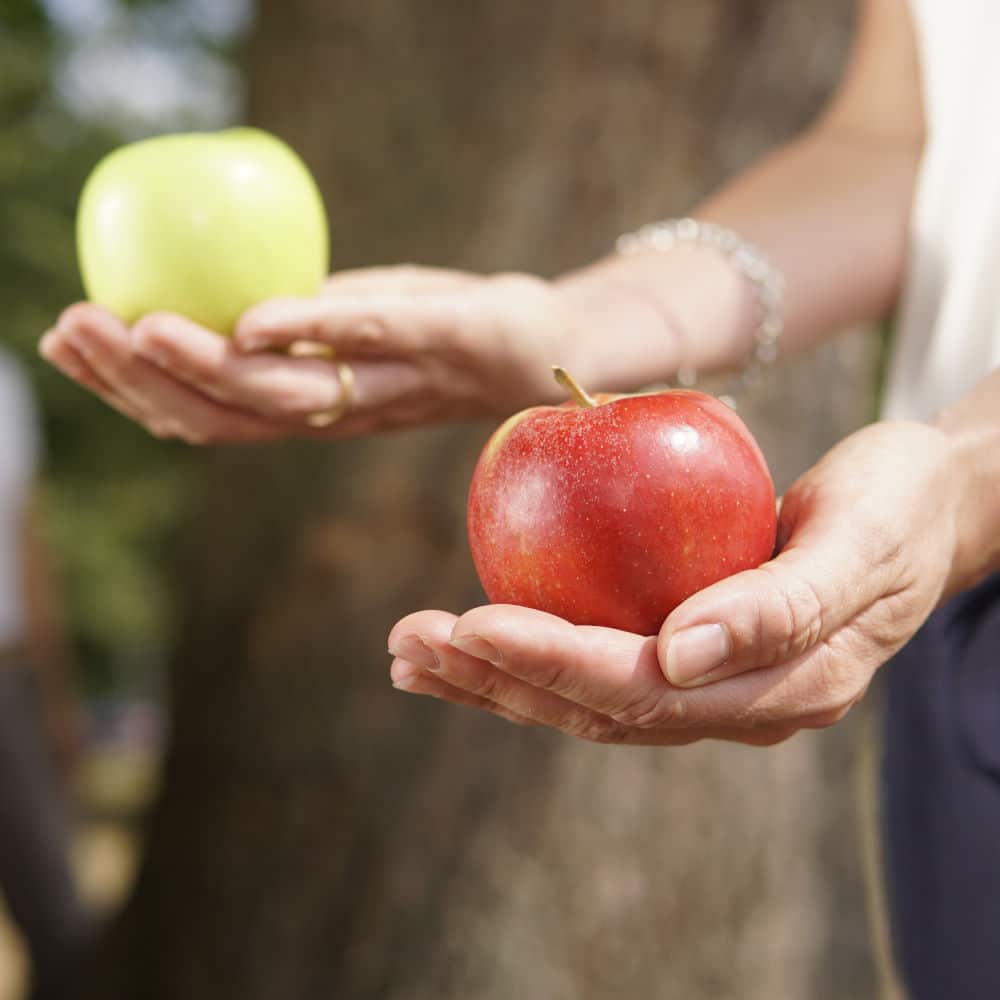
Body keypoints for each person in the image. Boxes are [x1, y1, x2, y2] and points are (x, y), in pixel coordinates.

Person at [38, 0, 1000, 994]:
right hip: (937, 602)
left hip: (946, 519)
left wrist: (973, 471)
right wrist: (587, 319)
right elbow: (900, 145)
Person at [0, 349, 93, 1000]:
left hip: (6, 685)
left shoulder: (6, 383)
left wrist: (58, 697)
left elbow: (26, 540)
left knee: (57, 922)